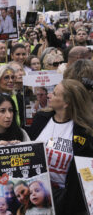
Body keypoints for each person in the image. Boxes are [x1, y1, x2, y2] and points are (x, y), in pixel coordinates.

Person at [29, 79, 93, 215]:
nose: (49, 95)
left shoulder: (84, 131)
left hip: (69, 202)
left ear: (66, 103)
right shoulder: (41, 119)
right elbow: (27, 148)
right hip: (39, 197)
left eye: (55, 94)